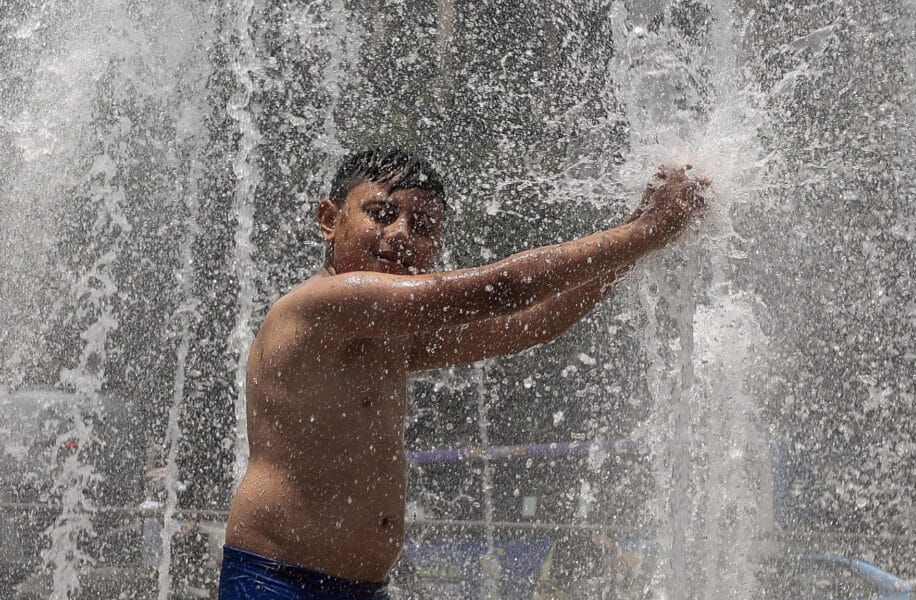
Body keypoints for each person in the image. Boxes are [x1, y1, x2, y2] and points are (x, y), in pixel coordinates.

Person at [220, 148, 709, 599]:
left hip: (360, 587)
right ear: (330, 219)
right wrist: (648, 231)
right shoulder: (324, 304)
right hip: (277, 579)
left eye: (424, 225)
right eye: (382, 213)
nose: (401, 235)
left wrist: (636, 238)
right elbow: (504, 287)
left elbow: (532, 322)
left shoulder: (383, 335)